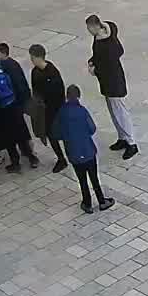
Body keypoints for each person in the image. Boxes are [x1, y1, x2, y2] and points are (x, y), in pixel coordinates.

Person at [52, 85, 115, 213]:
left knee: (82, 180)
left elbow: (56, 133)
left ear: (66, 96)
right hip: (88, 151)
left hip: (73, 154)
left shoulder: (61, 113)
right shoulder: (82, 111)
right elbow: (92, 128)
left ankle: (87, 204)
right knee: (94, 178)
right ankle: (102, 201)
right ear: (79, 96)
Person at [86, 16, 139, 158]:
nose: (88, 31)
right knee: (114, 112)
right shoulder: (104, 34)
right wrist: (92, 61)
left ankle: (131, 142)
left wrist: (94, 71)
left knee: (120, 112)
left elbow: (106, 65)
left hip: (113, 82)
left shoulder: (107, 45)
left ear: (95, 26)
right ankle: (122, 138)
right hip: (107, 83)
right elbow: (111, 27)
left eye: (89, 28)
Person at [0, 42, 41, 170]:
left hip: (11, 106)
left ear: (3, 54)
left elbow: (15, 86)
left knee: (11, 135)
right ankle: (31, 157)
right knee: (21, 132)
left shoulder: (4, 68)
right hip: (17, 105)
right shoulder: (14, 64)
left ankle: (16, 162)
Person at [29, 43, 69, 173]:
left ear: (39, 57)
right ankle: (61, 158)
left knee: (62, 134)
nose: (31, 60)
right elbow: (35, 90)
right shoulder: (35, 72)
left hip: (56, 110)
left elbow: (60, 93)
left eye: (32, 57)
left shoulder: (52, 72)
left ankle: (70, 154)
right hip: (45, 110)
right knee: (51, 136)